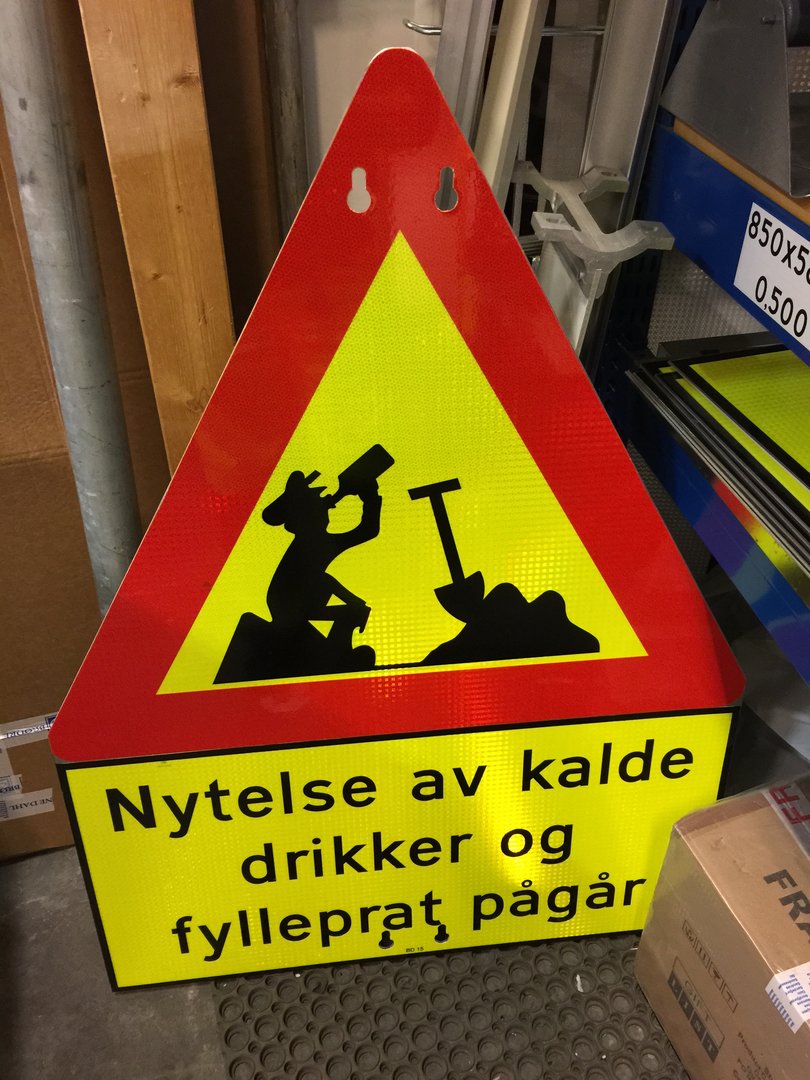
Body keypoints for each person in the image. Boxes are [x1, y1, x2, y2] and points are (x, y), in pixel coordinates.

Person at [262, 468, 381, 657]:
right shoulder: (313, 542)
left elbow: (367, 531)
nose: (329, 508)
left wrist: (371, 496)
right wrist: (353, 601)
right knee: (349, 610)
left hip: (295, 604)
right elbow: (322, 580)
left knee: (349, 612)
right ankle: (340, 654)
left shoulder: (320, 541)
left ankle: (339, 652)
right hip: (288, 604)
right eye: (321, 504)